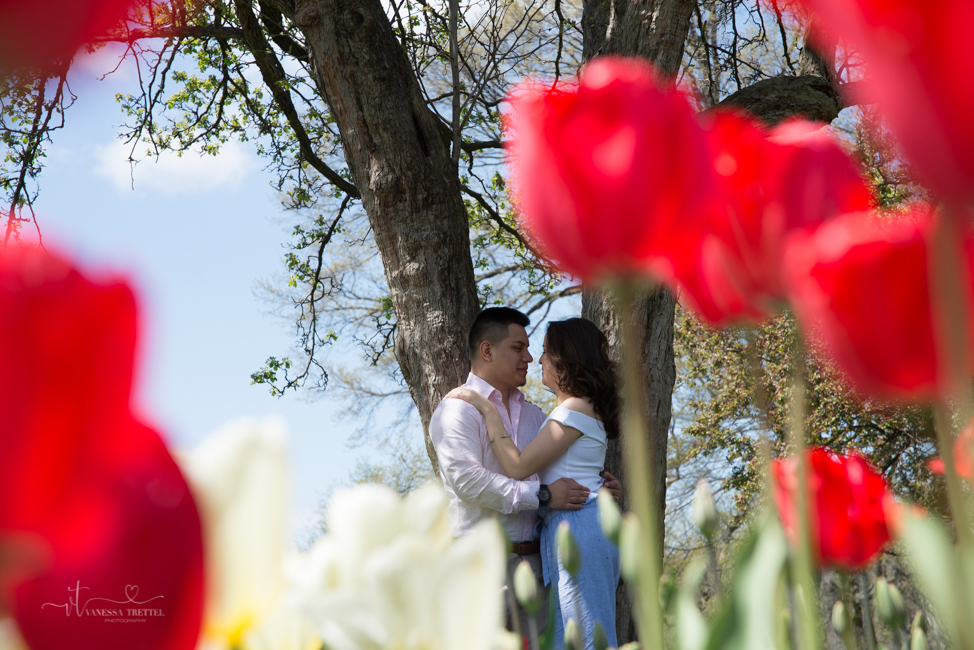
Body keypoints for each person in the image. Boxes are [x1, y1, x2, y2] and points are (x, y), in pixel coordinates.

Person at [428, 308, 621, 638]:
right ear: (487, 351)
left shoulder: (537, 416)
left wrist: (594, 487)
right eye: (518, 348)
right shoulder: (457, 410)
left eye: (533, 349)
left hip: (538, 568)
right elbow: (468, 482)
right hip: (480, 570)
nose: (530, 358)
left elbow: (554, 466)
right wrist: (544, 495)